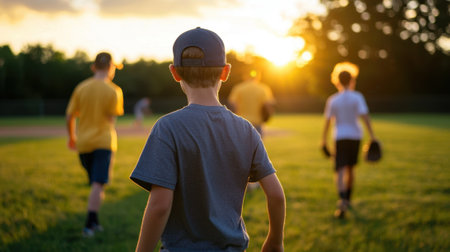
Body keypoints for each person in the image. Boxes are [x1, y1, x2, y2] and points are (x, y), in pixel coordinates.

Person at [130, 27, 286, 252]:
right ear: (225, 72)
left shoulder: (167, 127)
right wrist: (275, 240)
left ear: (175, 73)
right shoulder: (246, 130)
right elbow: (276, 194)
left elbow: (160, 205)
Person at [66, 52, 124, 236]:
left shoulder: (81, 88)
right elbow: (111, 118)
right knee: (98, 184)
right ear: (110, 68)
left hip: (83, 142)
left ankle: (95, 222)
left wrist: (72, 137)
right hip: (104, 142)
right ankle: (90, 224)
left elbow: (70, 115)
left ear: (93, 67)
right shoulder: (113, 90)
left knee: (95, 183)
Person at [321, 62, 376, 218]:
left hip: (340, 137)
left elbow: (327, 121)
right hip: (355, 136)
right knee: (351, 168)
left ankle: (342, 199)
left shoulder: (333, 99)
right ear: (352, 80)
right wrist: (372, 136)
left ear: (337, 80)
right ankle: (348, 198)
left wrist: (323, 140)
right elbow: (365, 117)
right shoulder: (357, 97)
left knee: (339, 169)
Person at [228, 69, 275, 137]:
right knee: (257, 146)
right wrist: (267, 117)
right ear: (258, 77)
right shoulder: (263, 88)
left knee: (242, 146)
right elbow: (268, 105)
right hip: (257, 122)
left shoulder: (238, 88)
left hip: (242, 122)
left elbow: (233, 103)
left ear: (245, 76)